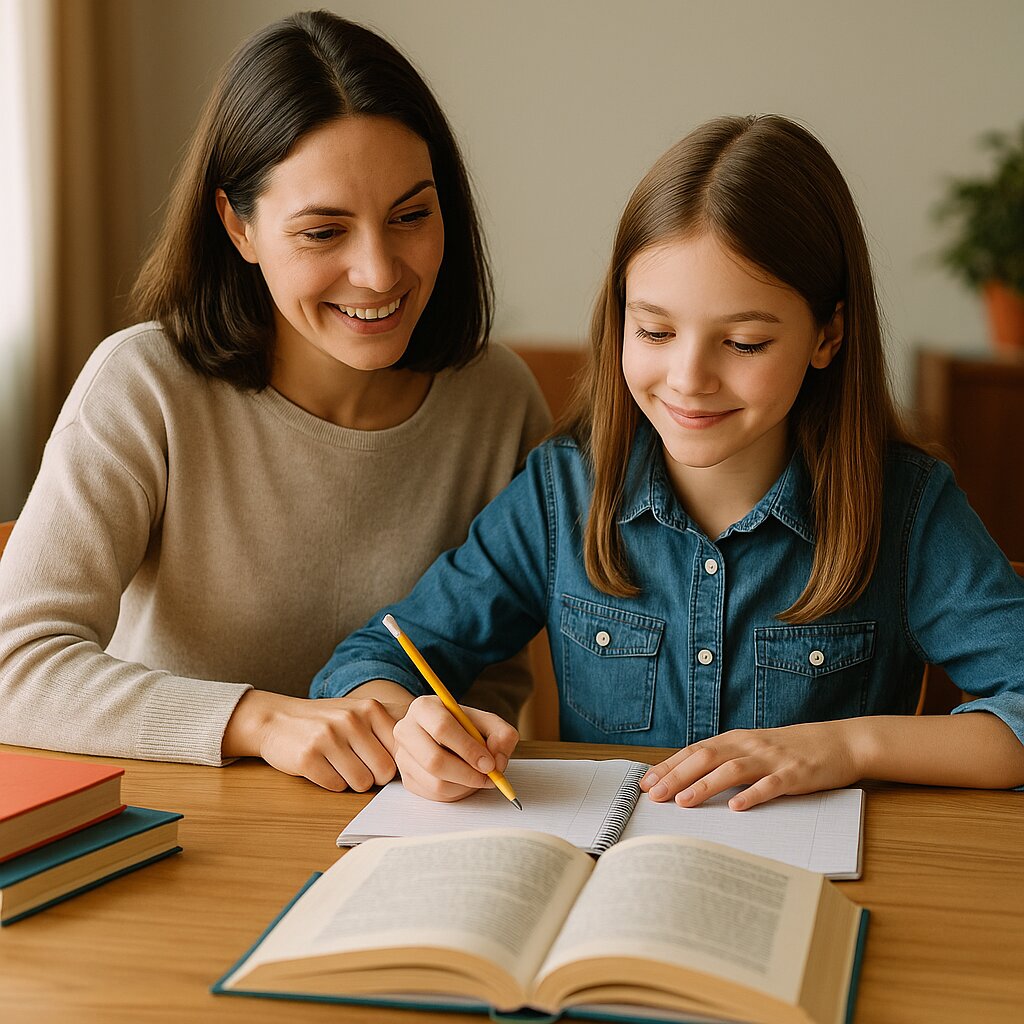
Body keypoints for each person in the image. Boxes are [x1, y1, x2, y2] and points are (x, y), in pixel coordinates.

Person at [313, 113, 1024, 807]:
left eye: (744, 343)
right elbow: (371, 662)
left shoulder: (904, 509)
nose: (688, 378)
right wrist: (412, 727)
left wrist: (847, 747)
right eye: (653, 330)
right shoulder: (565, 491)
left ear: (827, 336)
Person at [0, 11, 549, 790]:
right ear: (239, 226)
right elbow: (13, 666)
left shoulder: (497, 399)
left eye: (412, 216)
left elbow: (491, 675)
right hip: (182, 831)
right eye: (324, 232)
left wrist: (454, 741)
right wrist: (259, 719)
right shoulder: (144, 385)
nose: (379, 271)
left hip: (404, 833)